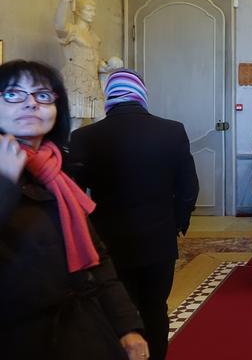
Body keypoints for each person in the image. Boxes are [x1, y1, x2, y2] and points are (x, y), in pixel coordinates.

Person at [0, 60, 149, 359]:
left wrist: (126, 326)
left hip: (79, 330)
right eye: (13, 94)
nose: (31, 103)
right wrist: (5, 182)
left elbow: (94, 256)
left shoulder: (55, 174)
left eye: (43, 95)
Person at [69, 69, 199, 360]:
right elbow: (189, 188)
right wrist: (178, 223)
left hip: (109, 242)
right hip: (159, 239)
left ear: (108, 96)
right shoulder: (172, 131)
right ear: (141, 93)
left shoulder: (84, 137)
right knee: (155, 308)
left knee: (117, 313)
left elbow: (73, 195)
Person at [54, 0, 106, 130]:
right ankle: (71, 146)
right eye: (89, 10)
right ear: (78, 11)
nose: (93, 14)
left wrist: (103, 66)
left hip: (93, 83)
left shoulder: (93, 36)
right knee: (75, 125)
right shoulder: (72, 30)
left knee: (102, 122)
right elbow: (59, 26)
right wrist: (65, 0)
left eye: (93, 10)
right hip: (77, 82)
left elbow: (94, 59)